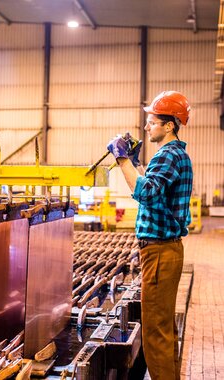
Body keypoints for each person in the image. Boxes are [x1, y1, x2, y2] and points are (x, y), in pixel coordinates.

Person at [107, 91, 193, 380]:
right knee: (163, 329)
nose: (147, 127)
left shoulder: (168, 155)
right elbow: (156, 191)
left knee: (155, 333)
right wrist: (136, 163)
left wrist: (122, 160)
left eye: (152, 121)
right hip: (165, 251)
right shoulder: (174, 155)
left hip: (159, 253)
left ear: (169, 126)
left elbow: (145, 193)